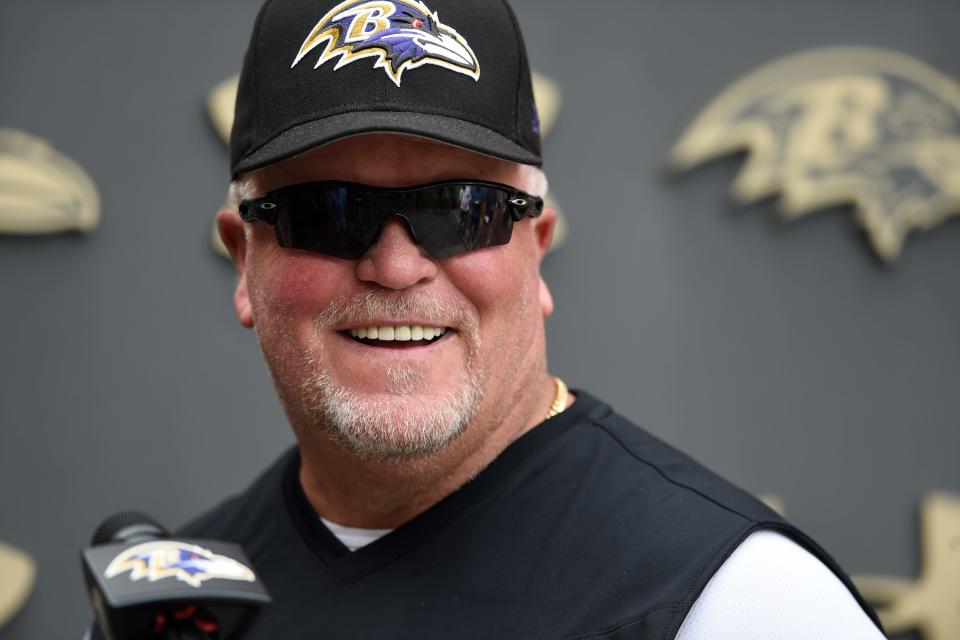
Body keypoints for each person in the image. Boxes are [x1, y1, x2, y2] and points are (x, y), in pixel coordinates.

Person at [90, 0, 887, 637]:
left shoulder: (733, 599)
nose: (396, 268)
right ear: (243, 261)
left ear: (535, 248)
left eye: (460, 211)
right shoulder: (173, 606)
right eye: (326, 212)